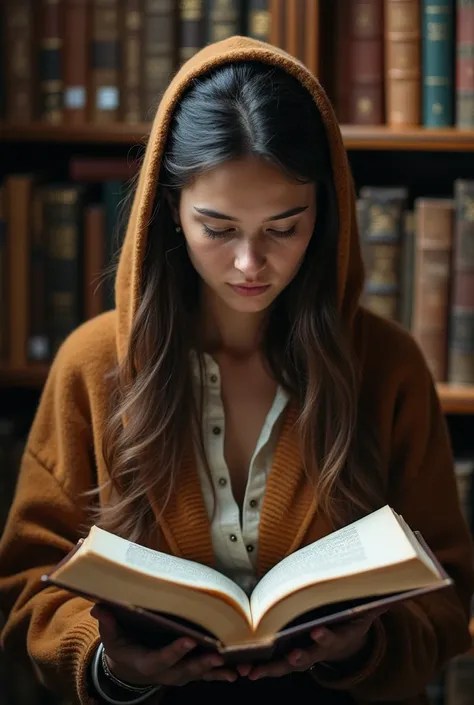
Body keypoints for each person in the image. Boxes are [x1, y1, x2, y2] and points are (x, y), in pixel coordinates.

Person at [0, 35, 473, 705]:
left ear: (326, 214)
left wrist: (367, 646)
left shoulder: (387, 367)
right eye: (218, 228)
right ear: (170, 210)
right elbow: (25, 587)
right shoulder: (90, 366)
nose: (251, 264)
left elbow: (449, 597)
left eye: (284, 227)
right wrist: (114, 662)